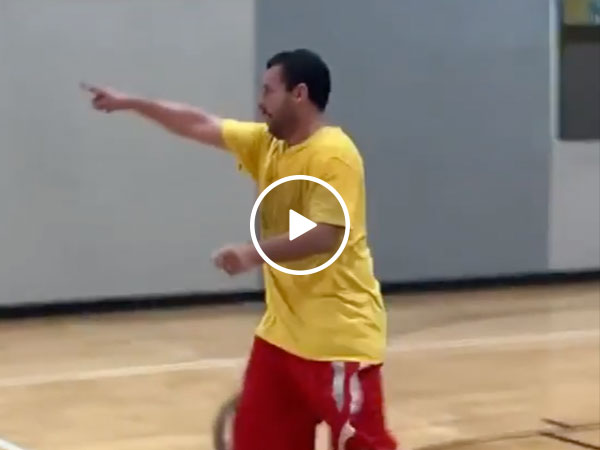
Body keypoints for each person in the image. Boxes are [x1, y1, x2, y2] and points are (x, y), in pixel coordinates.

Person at [82, 48, 397, 450]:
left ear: (299, 94)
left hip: (337, 340)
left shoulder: (334, 154)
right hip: (280, 339)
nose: (260, 101)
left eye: (268, 90)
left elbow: (326, 235)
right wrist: (131, 103)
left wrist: (252, 253)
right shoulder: (267, 145)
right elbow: (198, 123)